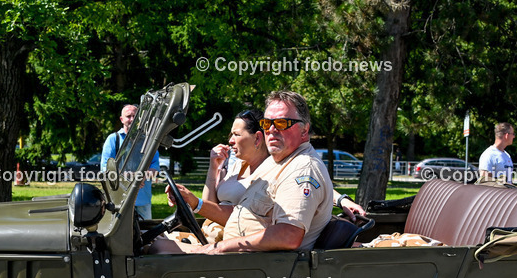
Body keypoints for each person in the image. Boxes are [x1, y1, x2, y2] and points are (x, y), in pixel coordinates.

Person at [153, 90, 334, 254]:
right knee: (153, 242)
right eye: (266, 123)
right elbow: (243, 214)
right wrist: (195, 203)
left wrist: (220, 247)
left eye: (281, 123)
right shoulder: (276, 163)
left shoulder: (302, 168)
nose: (271, 130)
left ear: (304, 130)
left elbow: (288, 235)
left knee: (155, 249)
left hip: (253, 267)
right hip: (237, 256)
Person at [166, 111, 366, 230]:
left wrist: (342, 200)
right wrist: (213, 169)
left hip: (239, 241)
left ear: (257, 138)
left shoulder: (273, 167)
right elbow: (209, 206)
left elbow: (307, 183)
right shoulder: (234, 165)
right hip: (211, 232)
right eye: (230, 135)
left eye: (236, 134)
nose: (230, 141)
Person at [101, 104, 160, 219]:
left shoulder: (149, 141)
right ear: (121, 119)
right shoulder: (113, 139)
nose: (132, 119)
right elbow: (105, 168)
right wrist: (130, 179)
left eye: (135, 116)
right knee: (120, 230)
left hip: (142, 200)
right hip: (118, 201)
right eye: (128, 116)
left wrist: (143, 176)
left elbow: (155, 167)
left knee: (145, 229)